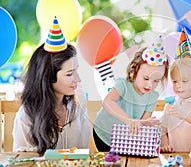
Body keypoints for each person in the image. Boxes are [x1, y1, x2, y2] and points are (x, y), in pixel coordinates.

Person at [13, 17, 91, 155]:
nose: (78, 79)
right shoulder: (26, 117)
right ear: (48, 77)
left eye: (76, 71)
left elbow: (82, 154)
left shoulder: (77, 105)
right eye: (69, 74)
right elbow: (24, 161)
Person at [93, 35, 169, 151]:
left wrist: (146, 123)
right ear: (135, 70)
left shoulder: (153, 96)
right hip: (103, 133)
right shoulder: (123, 85)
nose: (150, 85)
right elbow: (108, 102)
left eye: (156, 81)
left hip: (123, 139)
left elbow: (140, 123)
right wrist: (129, 120)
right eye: (146, 78)